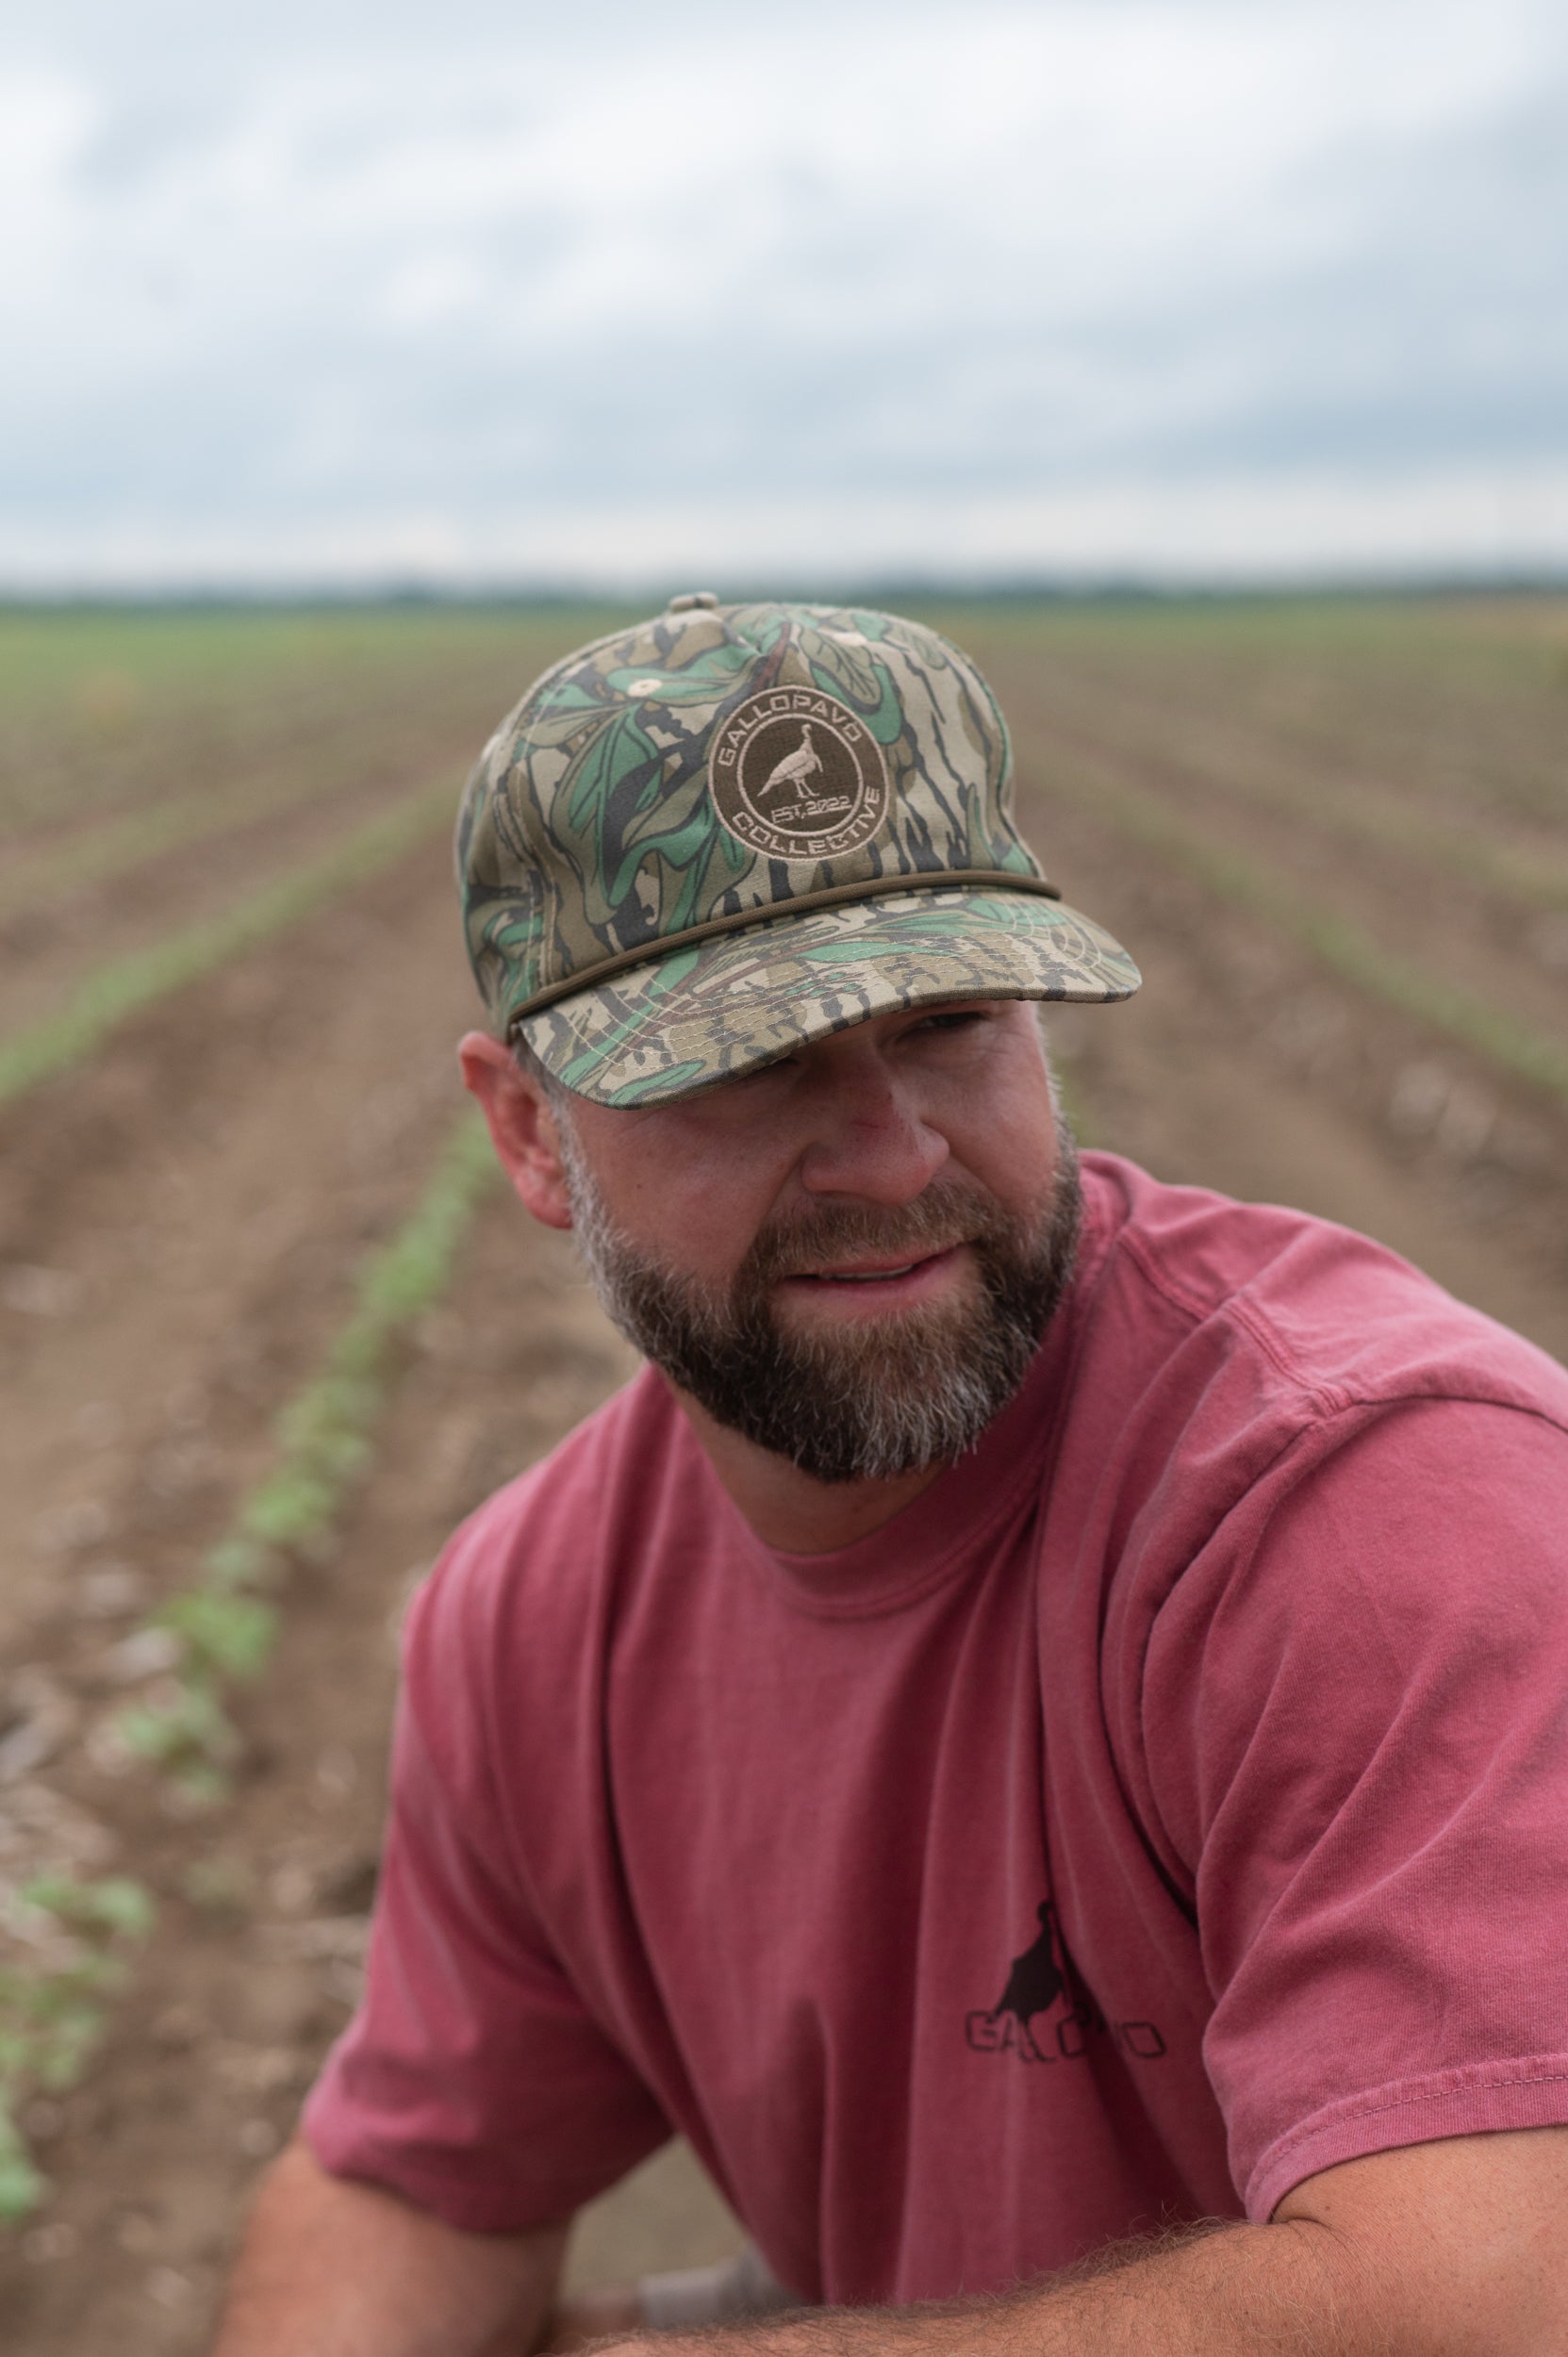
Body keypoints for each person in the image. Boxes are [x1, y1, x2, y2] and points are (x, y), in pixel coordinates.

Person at [212, 596, 1568, 2356]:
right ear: (532, 1133)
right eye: (754, 1068)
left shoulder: (1365, 1506)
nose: (891, 1154)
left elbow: (1493, 2303)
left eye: (948, 1025)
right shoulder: (539, 1617)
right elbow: (411, 2184)